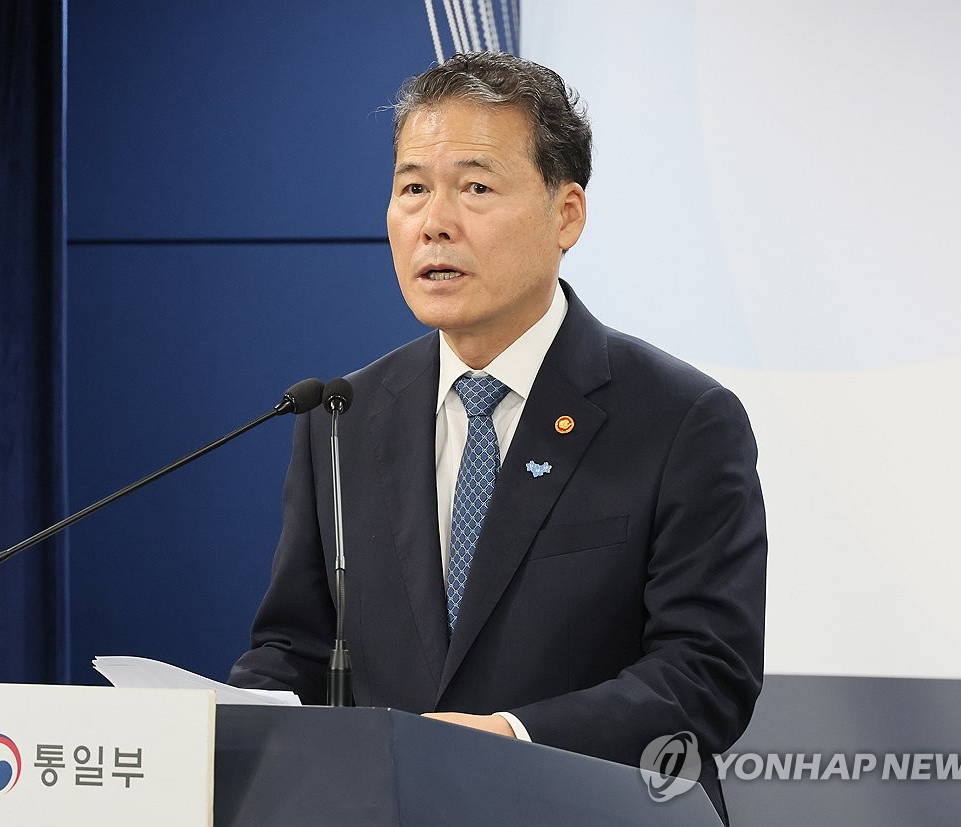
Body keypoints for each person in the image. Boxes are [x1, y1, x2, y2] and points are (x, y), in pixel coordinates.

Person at [230, 52, 766, 822]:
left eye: (476, 187)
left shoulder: (682, 418)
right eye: (413, 187)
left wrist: (509, 735)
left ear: (566, 214)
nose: (434, 221)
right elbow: (294, 644)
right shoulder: (341, 415)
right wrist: (230, 719)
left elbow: (706, 671)